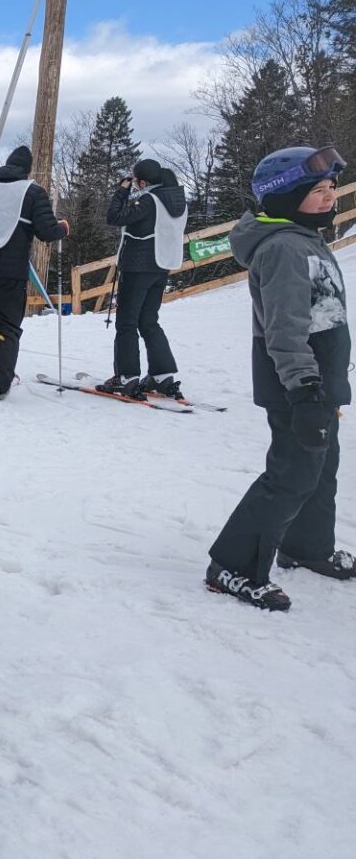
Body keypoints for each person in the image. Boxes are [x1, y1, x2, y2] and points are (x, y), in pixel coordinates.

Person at [205, 145, 351, 611]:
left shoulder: (303, 238)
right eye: (318, 190)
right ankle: (232, 565)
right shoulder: (286, 247)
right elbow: (285, 328)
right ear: (286, 196)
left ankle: (306, 546)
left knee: (320, 467)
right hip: (296, 382)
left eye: (332, 188)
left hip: (316, 379)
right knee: (291, 473)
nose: (330, 197)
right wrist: (306, 390)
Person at [0, 146, 68, 401]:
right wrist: (62, 228)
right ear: (27, 170)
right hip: (10, 272)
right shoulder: (32, 192)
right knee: (8, 328)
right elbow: (46, 232)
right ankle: (0, 384)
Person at [97, 158, 187, 399]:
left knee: (126, 322)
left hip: (138, 266)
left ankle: (126, 376)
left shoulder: (149, 200)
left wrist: (121, 191)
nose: (135, 185)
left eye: (136, 181)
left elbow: (115, 217)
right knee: (149, 321)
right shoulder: (177, 200)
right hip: (162, 265)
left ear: (143, 181)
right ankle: (162, 374)